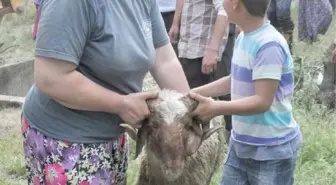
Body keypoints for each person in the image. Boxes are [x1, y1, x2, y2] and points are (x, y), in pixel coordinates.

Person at [21, 0, 190, 184]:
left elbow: (164, 59)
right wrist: (120, 104)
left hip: (112, 133)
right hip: (66, 138)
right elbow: (51, 77)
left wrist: (189, 106)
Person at [189, 0, 302, 184]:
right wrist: (193, 94)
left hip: (271, 150)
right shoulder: (244, 37)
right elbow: (235, 79)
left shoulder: (269, 45)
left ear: (235, 3)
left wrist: (216, 107)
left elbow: (262, 101)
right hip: (241, 144)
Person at [168, 0, 229, 89]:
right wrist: (175, 23)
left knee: (201, 96)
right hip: (187, 45)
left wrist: (213, 50)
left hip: (203, 51)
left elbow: (224, 11)